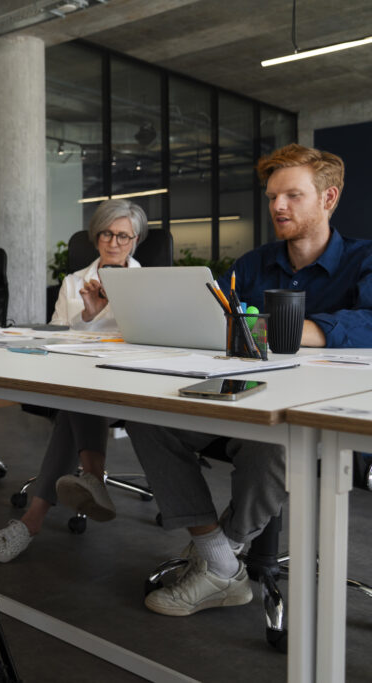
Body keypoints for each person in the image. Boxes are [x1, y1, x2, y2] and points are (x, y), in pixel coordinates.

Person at [126, 143, 372, 617]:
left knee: (274, 439)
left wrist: (298, 331)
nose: (278, 206)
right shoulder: (254, 264)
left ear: (329, 198)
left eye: (293, 196)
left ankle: (221, 556)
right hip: (239, 398)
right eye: (273, 196)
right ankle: (220, 561)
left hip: (320, 415)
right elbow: (220, 316)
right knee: (144, 413)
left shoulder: (364, 261)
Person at [0, 199, 149, 562]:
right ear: (96, 236)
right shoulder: (74, 283)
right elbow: (56, 337)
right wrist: (88, 315)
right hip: (79, 380)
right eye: (107, 233)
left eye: (123, 236)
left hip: (129, 383)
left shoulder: (146, 284)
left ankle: (32, 520)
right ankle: (90, 478)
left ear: (134, 241)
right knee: (78, 392)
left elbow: (149, 337)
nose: (114, 242)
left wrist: (105, 318)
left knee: (76, 398)